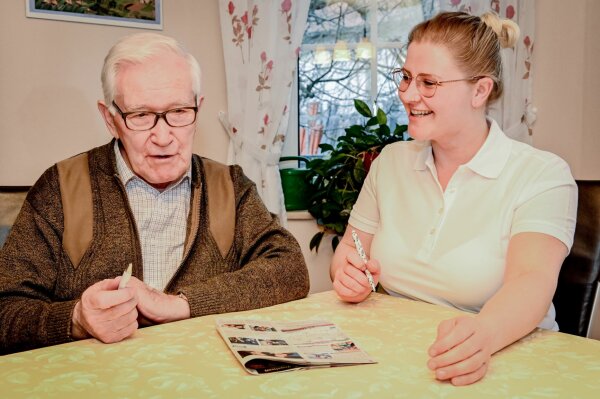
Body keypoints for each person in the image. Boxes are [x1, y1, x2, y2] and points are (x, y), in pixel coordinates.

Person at [0, 33, 309, 355]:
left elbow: (290, 269)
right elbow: (6, 309)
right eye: (141, 116)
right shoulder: (61, 187)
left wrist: (179, 304)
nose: (163, 137)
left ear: (198, 110)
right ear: (111, 119)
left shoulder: (229, 186)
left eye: (178, 112)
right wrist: (75, 319)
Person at [330, 11, 577, 386]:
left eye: (429, 83)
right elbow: (349, 252)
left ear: (480, 91)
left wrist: (484, 334)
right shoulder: (390, 162)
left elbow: (531, 281)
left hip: (504, 359)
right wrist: (348, 274)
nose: (409, 96)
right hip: (397, 357)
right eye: (407, 78)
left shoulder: (542, 175)